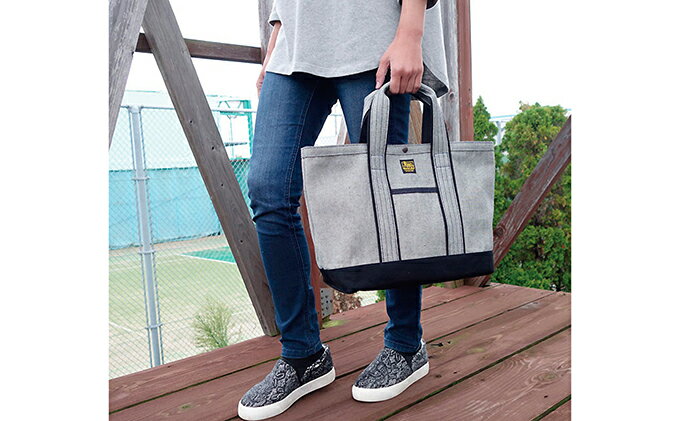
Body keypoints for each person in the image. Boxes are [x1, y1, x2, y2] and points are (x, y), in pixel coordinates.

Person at [238, 1, 450, 419]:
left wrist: (410, 33)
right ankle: (303, 354)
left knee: (386, 189)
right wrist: (276, 42)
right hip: (295, 48)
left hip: (370, 35)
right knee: (268, 189)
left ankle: (406, 344)